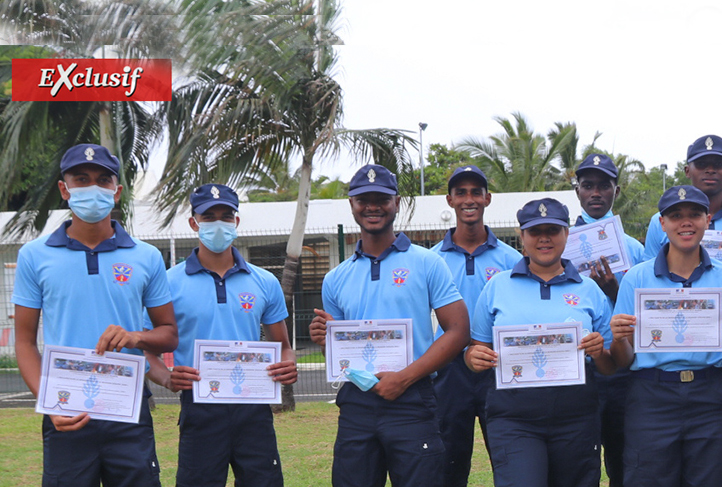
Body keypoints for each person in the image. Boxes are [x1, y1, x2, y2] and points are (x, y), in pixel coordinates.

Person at [12, 143, 178, 486]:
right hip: (67, 409)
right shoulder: (34, 255)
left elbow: (168, 333)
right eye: (81, 179)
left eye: (103, 180)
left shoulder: (146, 257)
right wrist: (49, 402)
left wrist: (136, 337)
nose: (93, 188)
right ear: (64, 189)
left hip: (128, 408)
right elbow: (26, 342)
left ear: (116, 192)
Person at [308, 164, 469, 487]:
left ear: (396, 202)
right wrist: (324, 338)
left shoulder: (427, 262)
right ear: (351, 204)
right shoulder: (335, 278)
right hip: (357, 402)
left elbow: (459, 331)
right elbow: (343, 351)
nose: (372, 207)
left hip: (413, 399)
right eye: (363, 199)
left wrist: (405, 378)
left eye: (381, 199)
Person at [143, 184, 297, 487]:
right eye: (208, 216)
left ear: (236, 222)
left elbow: (283, 347)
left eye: (226, 216)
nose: (218, 223)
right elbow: (145, 348)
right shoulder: (168, 283)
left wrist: (288, 364)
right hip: (199, 405)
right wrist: (166, 378)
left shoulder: (265, 281)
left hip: (254, 408)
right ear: (193, 223)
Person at [464, 198, 617, 487]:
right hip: (514, 416)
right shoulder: (498, 285)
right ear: (522, 236)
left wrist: (599, 352)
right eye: (535, 231)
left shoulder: (589, 290)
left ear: (566, 234)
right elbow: (476, 348)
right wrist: (472, 358)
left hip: (576, 414)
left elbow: (610, 366)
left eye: (553, 230)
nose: (544, 238)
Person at [609, 184, 722, 487]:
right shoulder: (638, 278)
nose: (686, 222)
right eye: (676, 216)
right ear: (662, 223)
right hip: (651, 395)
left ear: (707, 220)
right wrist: (619, 338)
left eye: (694, 215)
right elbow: (623, 360)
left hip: (710, 393)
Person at [643, 134, 722, 453]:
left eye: (717, 165)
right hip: (665, 365)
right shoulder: (657, 228)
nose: (710, 171)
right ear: (688, 170)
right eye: (702, 165)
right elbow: (651, 282)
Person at [430, 165, 523, 487]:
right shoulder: (431, 260)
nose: (469, 199)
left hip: (498, 365)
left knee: (509, 456)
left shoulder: (511, 259)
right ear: (450, 200)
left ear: (487, 198)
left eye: (475, 192)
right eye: (461, 192)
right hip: (447, 370)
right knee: (448, 460)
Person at [572, 153, 647, 487]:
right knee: (577, 461)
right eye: (588, 186)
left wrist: (615, 290)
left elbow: (647, 312)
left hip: (620, 369)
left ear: (617, 189)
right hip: (575, 368)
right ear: (578, 191)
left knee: (622, 459)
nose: (596, 193)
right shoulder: (558, 246)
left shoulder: (634, 249)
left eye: (604, 185)